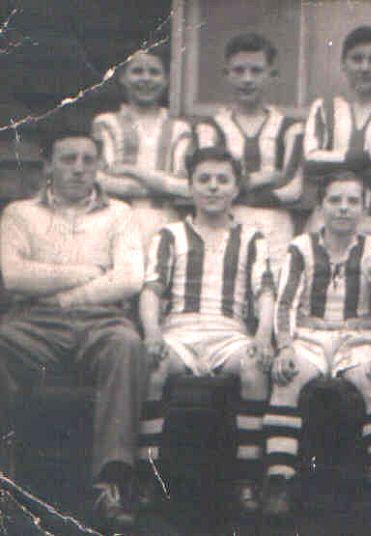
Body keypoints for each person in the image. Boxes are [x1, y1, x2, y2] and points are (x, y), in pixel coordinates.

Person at [0, 130, 146, 530]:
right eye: (68, 159)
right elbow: (14, 276)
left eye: (87, 159)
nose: (79, 169)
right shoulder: (20, 214)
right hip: (34, 324)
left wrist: (66, 296)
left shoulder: (121, 214)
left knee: (127, 344)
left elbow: (130, 279)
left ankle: (110, 483)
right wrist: (84, 273)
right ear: (48, 165)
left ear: (99, 165)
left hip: (101, 320)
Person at [136, 147, 275, 514]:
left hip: (229, 333)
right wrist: (152, 334)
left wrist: (262, 336)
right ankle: (149, 475)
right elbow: (152, 289)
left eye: (222, 180)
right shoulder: (169, 235)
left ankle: (247, 478)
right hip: (179, 331)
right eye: (204, 179)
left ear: (236, 188)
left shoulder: (252, 238)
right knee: (153, 366)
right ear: (190, 186)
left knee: (254, 367)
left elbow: (265, 291)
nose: (213, 188)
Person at [261, 171, 371, 522]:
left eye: (353, 201)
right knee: (287, 378)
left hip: (357, 338)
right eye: (335, 201)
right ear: (321, 205)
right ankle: (278, 482)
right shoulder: (301, 247)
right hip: (310, 334)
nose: (344, 209)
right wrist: (284, 347)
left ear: (364, 207)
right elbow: (285, 302)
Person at [303, 26, 371, 282]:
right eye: (357, 58)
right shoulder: (325, 109)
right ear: (343, 64)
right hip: (327, 218)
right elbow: (311, 162)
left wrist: (337, 166)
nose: (365, 67)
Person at [195, 33, 304, 274]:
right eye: (239, 70)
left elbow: (293, 189)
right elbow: (208, 179)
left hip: (275, 222)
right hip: (225, 221)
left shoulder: (289, 128)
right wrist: (270, 176)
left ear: (271, 75)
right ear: (226, 74)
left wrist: (235, 185)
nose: (247, 79)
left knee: (272, 292)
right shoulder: (210, 128)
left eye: (256, 71)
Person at [93, 49, 194, 249]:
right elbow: (102, 181)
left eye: (154, 72)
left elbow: (186, 187)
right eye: (137, 71)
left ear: (166, 80)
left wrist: (131, 170)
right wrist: (164, 185)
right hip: (116, 218)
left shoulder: (179, 128)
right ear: (123, 77)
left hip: (167, 220)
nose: (146, 79)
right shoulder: (107, 123)